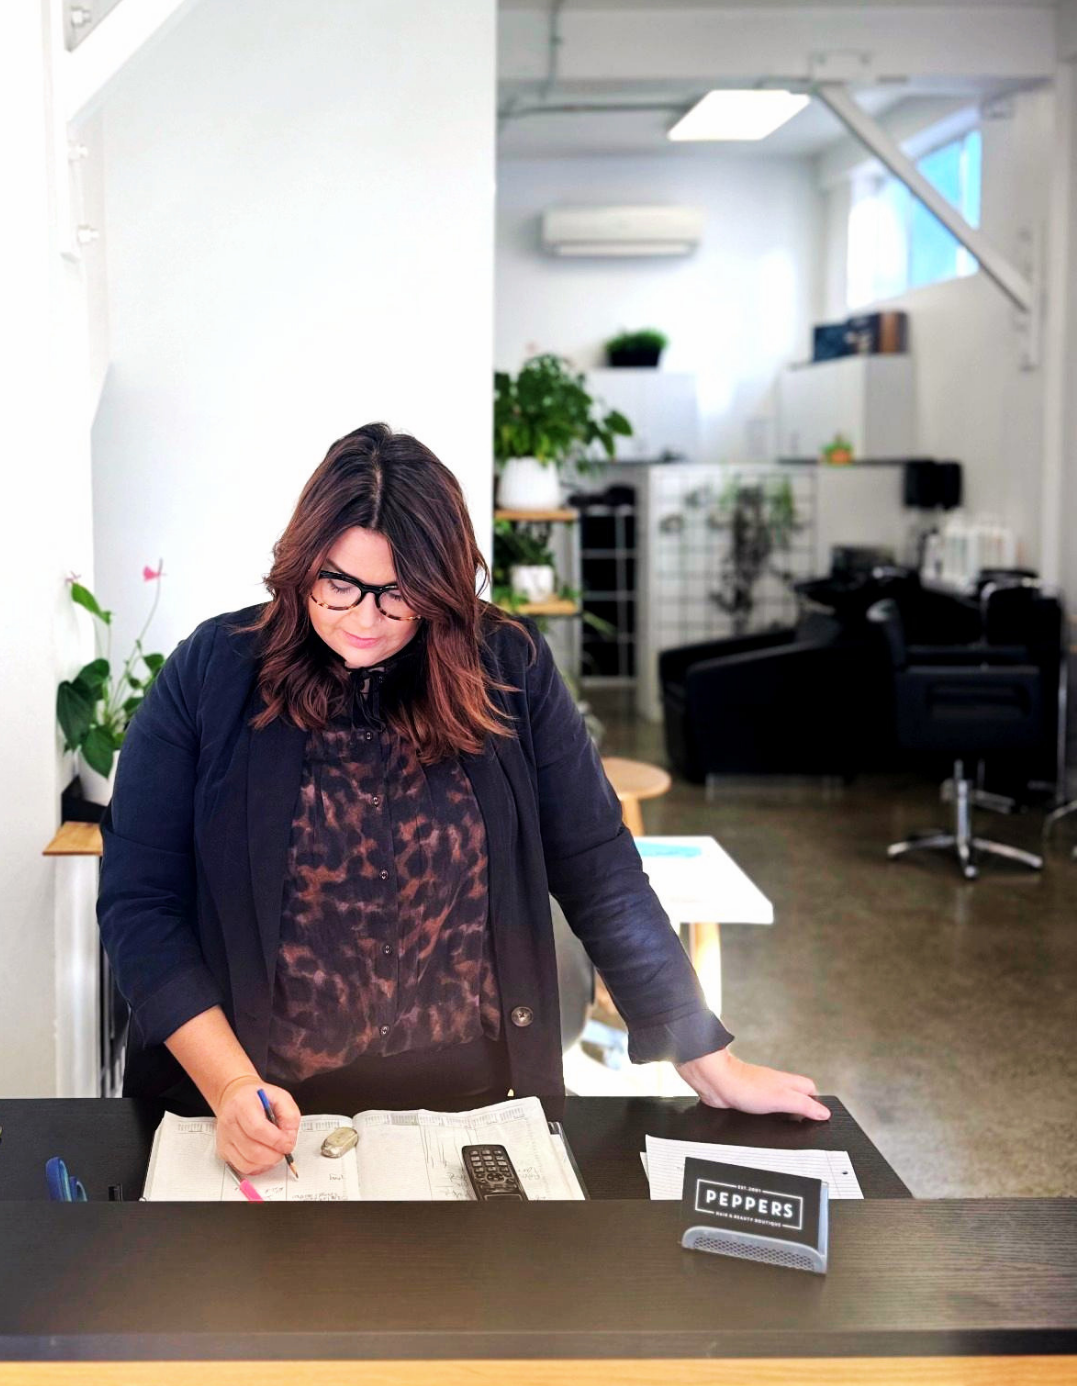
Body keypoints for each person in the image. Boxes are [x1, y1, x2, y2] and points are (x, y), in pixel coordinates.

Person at [97, 423, 830, 1179]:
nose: (364, 618)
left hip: (467, 1108)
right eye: (339, 583)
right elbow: (140, 899)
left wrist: (704, 1055)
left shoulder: (507, 666)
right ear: (302, 563)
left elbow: (597, 865)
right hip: (256, 1105)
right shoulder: (212, 673)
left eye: (398, 594)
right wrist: (228, 1084)